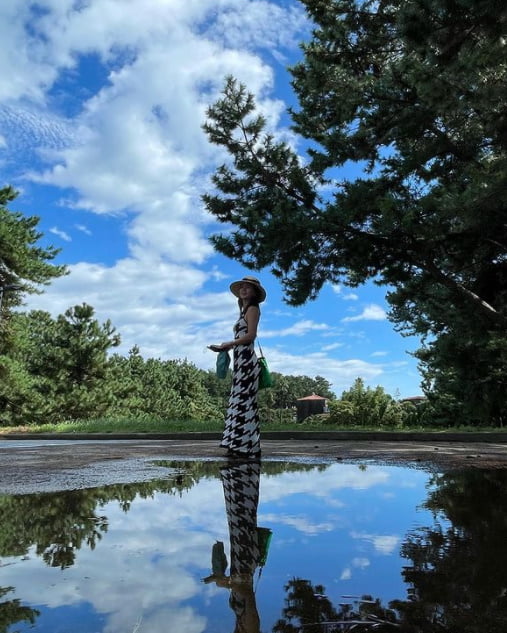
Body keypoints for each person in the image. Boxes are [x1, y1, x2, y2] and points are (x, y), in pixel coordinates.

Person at [209, 275, 266, 459]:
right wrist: (226, 347)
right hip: (241, 361)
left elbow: (251, 336)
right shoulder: (243, 311)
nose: (243, 289)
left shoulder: (253, 309)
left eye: (247, 287)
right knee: (239, 402)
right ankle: (238, 445)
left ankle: (246, 446)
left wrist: (229, 343)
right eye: (241, 287)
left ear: (254, 292)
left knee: (244, 403)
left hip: (248, 361)